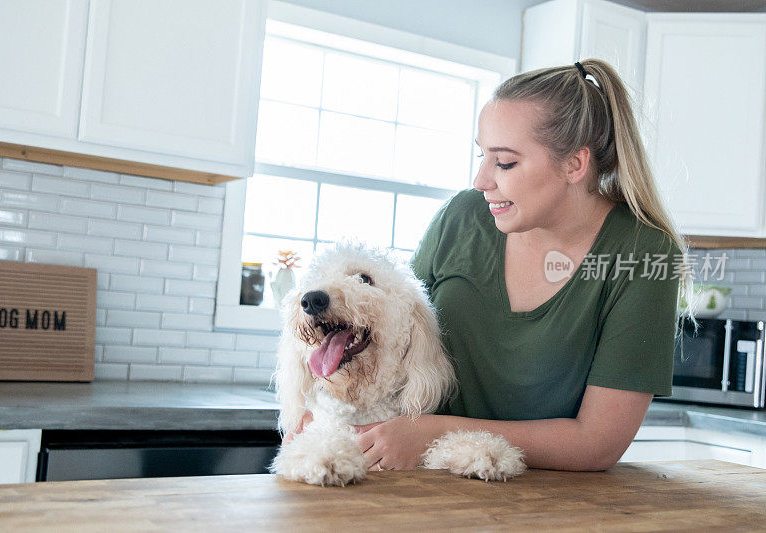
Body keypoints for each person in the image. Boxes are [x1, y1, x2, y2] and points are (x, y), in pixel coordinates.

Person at [284, 58, 694, 472]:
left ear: (575, 164)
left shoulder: (643, 253)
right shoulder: (462, 217)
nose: (481, 180)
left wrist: (434, 433)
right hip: (420, 480)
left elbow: (597, 444)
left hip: (555, 503)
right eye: (482, 156)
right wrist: (317, 402)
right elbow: (390, 335)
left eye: (505, 162)